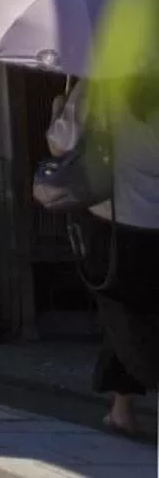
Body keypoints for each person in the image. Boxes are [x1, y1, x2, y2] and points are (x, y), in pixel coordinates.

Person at [48, 78, 159, 437]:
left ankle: (122, 409)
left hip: (115, 220)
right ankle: (122, 408)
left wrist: (58, 108)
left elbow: (60, 144)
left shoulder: (99, 84)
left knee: (123, 313)